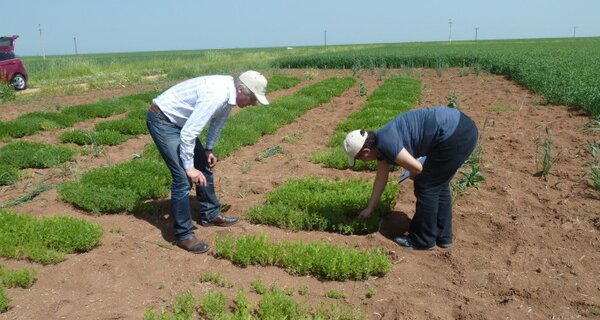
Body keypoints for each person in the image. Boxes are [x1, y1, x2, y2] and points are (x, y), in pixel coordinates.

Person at [146, 70, 269, 253]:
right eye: (253, 99)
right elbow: (189, 133)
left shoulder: (229, 94)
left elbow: (218, 123)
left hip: (181, 123)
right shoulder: (217, 95)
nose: (253, 103)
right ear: (241, 89)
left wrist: (208, 149)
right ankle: (184, 235)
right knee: (182, 178)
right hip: (163, 120)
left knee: (203, 164)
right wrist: (189, 167)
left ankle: (210, 214)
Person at [343, 106, 478, 250]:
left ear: (366, 151)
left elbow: (417, 168)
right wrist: (369, 208)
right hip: (460, 128)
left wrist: (414, 175)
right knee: (438, 183)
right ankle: (443, 236)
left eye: (360, 159)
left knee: (426, 186)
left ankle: (423, 240)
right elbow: (381, 179)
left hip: (455, 134)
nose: (363, 162)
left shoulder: (386, 142)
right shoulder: (379, 144)